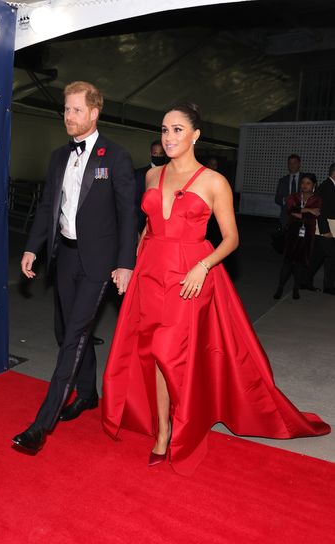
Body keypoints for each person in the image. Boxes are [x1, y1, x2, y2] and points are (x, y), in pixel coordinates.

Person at [102, 103, 330, 476]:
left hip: (189, 277)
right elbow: (149, 227)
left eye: (178, 130)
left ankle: (185, 427)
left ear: (195, 135)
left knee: (171, 354)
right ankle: (162, 434)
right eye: (164, 129)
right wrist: (130, 264)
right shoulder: (152, 177)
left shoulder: (213, 181)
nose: (169, 137)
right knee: (153, 356)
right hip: (150, 274)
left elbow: (231, 238)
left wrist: (202, 266)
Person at [12, 81, 137, 453]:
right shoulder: (57, 157)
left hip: (99, 261)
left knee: (74, 336)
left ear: (94, 112)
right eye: (66, 109)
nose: (68, 116)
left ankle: (41, 425)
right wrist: (32, 248)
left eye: (76, 110)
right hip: (64, 256)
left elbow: (128, 213)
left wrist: (125, 263)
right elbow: (49, 205)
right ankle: (87, 394)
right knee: (67, 328)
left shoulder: (114, 156)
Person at [273, 174, 321, 300]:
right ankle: (280, 287)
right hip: (293, 233)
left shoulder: (317, 199)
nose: (304, 185)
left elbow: (314, 214)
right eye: (303, 183)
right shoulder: (293, 196)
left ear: (314, 185)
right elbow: (291, 209)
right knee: (288, 261)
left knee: (301, 262)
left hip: (307, 234)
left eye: (308, 183)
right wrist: (309, 210)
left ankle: (296, 288)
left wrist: (301, 212)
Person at [305, 163, 335, 295]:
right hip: (325, 228)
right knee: (331, 256)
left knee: (317, 257)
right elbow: (319, 211)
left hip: (329, 227)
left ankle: (304, 281)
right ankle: (329, 287)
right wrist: (325, 230)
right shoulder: (326, 187)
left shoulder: (331, 186)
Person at [135, 140, 166, 233]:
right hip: (142, 224)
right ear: (150, 154)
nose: (158, 157)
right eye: (155, 153)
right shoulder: (139, 174)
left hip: (164, 225)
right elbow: (135, 202)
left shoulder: (172, 174)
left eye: (161, 154)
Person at [275, 154, 304, 228]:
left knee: (301, 239)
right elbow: (277, 199)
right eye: (290, 163)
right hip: (286, 217)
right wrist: (285, 199)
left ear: (299, 164)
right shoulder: (282, 180)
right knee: (286, 238)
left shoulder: (306, 179)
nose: (292, 165)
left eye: (295, 163)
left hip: (302, 216)